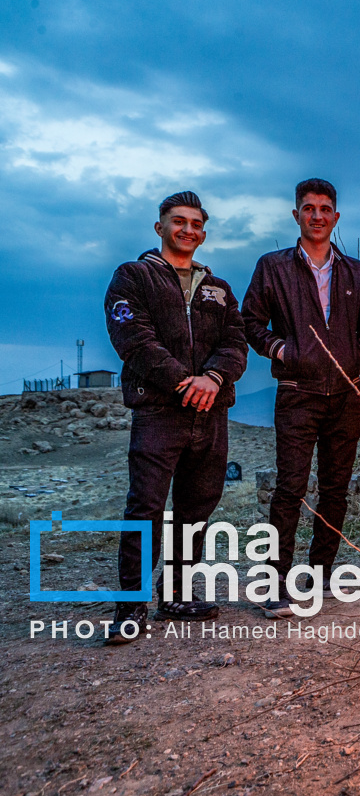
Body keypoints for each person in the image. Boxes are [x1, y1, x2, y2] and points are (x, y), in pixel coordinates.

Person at [103, 191, 248, 643]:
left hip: (210, 413)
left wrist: (214, 379)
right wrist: (185, 382)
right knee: (145, 507)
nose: (188, 229)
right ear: (159, 226)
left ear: (203, 232)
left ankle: (177, 595)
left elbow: (236, 343)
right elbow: (133, 339)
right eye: (178, 221)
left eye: (196, 224)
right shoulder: (133, 276)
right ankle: (130, 608)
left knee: (196, 508)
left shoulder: (219, 289)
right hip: (159, 411)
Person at [241, 178, 360, 618]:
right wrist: (282, 350)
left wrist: (358, 353)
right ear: (296, 214)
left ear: (336, 217)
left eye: (325, 209)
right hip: (296, 394)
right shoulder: (274, 267)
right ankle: (275, 584)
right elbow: (250, 321)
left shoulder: (354, 271)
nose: (317, 215)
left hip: (345, 395)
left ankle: (319, 574)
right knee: (291, 488)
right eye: (308, 208)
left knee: (335, 489)